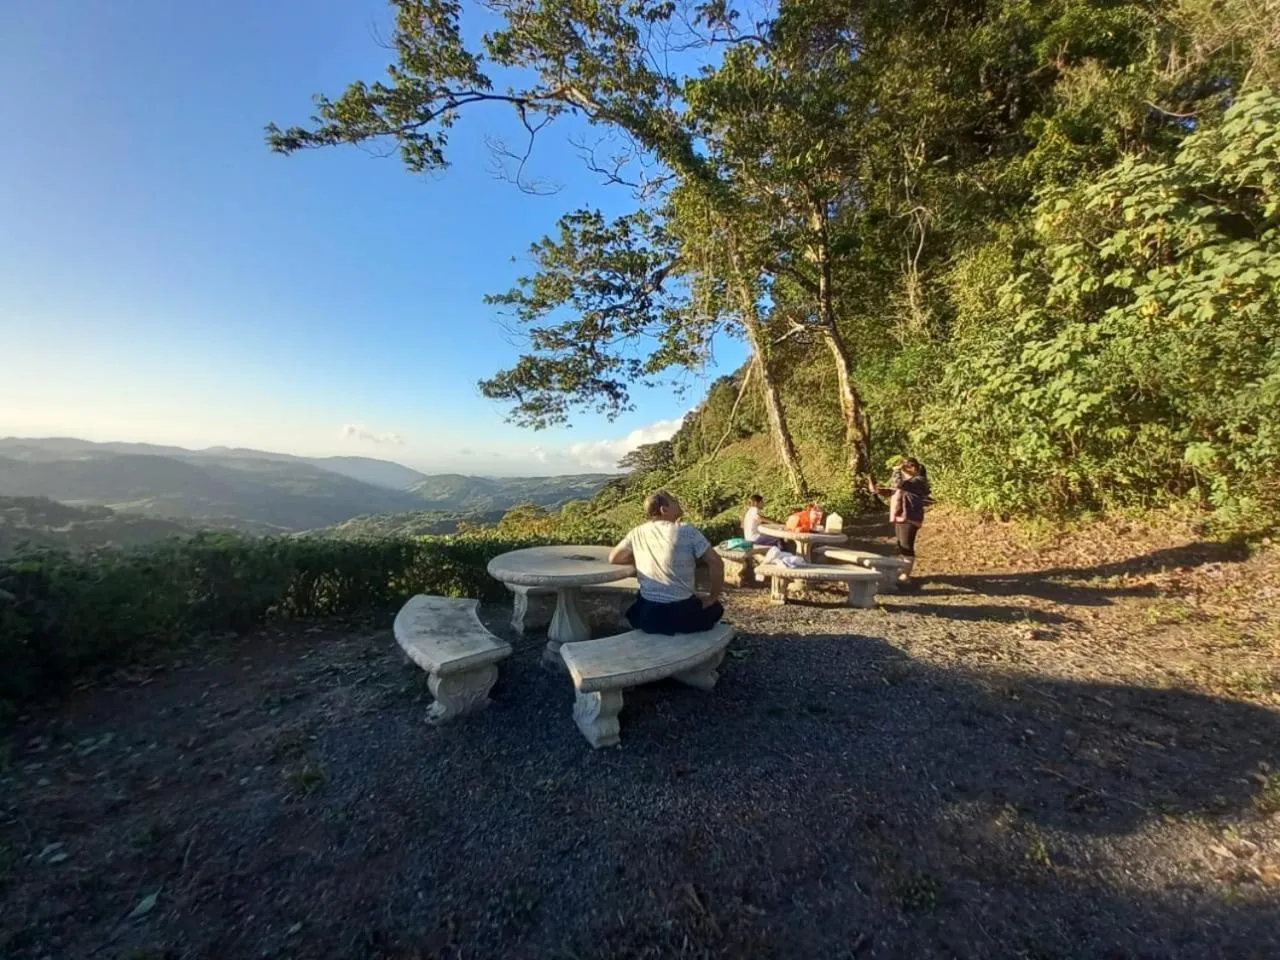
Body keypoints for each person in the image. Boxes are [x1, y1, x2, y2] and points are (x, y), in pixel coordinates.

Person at [609, 489, 726, 634]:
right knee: (716, 608)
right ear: (664, 510)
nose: (678, 503)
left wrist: (642, 557)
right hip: (680, 615)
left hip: (647, 616)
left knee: (638, 601)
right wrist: (712, 597)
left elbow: (614, 557)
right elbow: (717, 563)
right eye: (674, 501)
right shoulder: (687, 531)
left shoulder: (637, 532)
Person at [867, 457, 930, 583]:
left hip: (910, 517)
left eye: (907, 466)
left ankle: (905, 576)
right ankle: (902, 572)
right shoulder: (907, 482)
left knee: (907, 546)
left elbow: (898, 485)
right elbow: (893, 491)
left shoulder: (919, 481)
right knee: (901, 546)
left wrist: (896, 470)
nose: (904, 469)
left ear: (915, 468)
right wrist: (874, 485)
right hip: (901, 516)